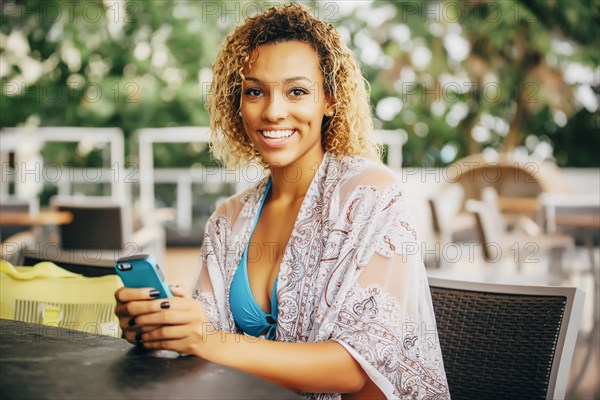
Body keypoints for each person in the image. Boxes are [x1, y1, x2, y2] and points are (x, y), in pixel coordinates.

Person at [115, 4, 450, 399]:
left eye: (297, 91)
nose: (273, 111)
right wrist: (164, 324)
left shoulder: (371, 195)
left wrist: (204, 339)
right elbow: (204, 340)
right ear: (237, 104)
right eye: (255, 91)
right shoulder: (228, 219)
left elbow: (353, 369)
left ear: (329, 100)